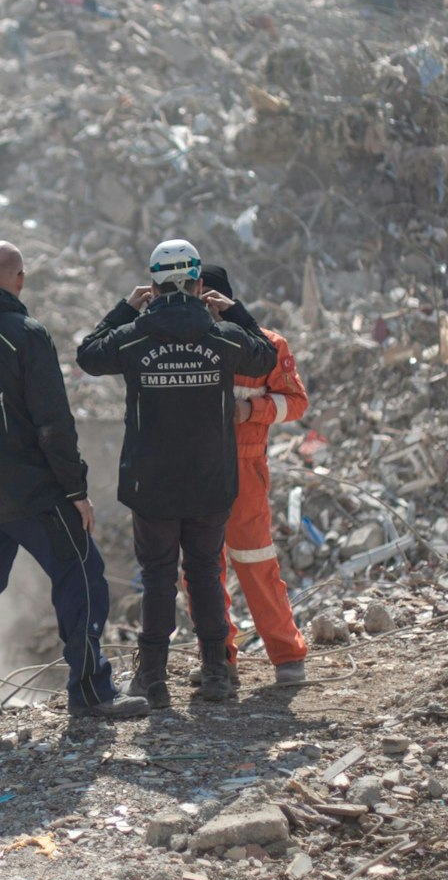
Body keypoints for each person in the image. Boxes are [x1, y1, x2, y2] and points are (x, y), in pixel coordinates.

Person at [0, 241, 150, 724]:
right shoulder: (24, 334)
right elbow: (53, 423)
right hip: (31, 492)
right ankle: (91, 692)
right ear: (19, 280)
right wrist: (76, 490)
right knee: (83, 575)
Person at [75, 239, 277, 706]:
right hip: (210, 482)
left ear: (154, 285)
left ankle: (153, 679)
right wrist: (236, 312)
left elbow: (88, 354)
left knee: (158, 576)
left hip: (152, 485)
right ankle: (216, 673)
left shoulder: (135, 338)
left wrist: (125, 309)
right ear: (198, 283)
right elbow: (265, 356)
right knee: (205, 574)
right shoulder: (223, 337)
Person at [195, 264, 310, 686]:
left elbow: (295, 402)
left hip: (244, 467)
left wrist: (251, 411)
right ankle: (218, 659)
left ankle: (286, 656)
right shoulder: (184, 343)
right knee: (202, 570)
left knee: (255, 561)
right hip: (196, 468)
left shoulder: (265, 345)